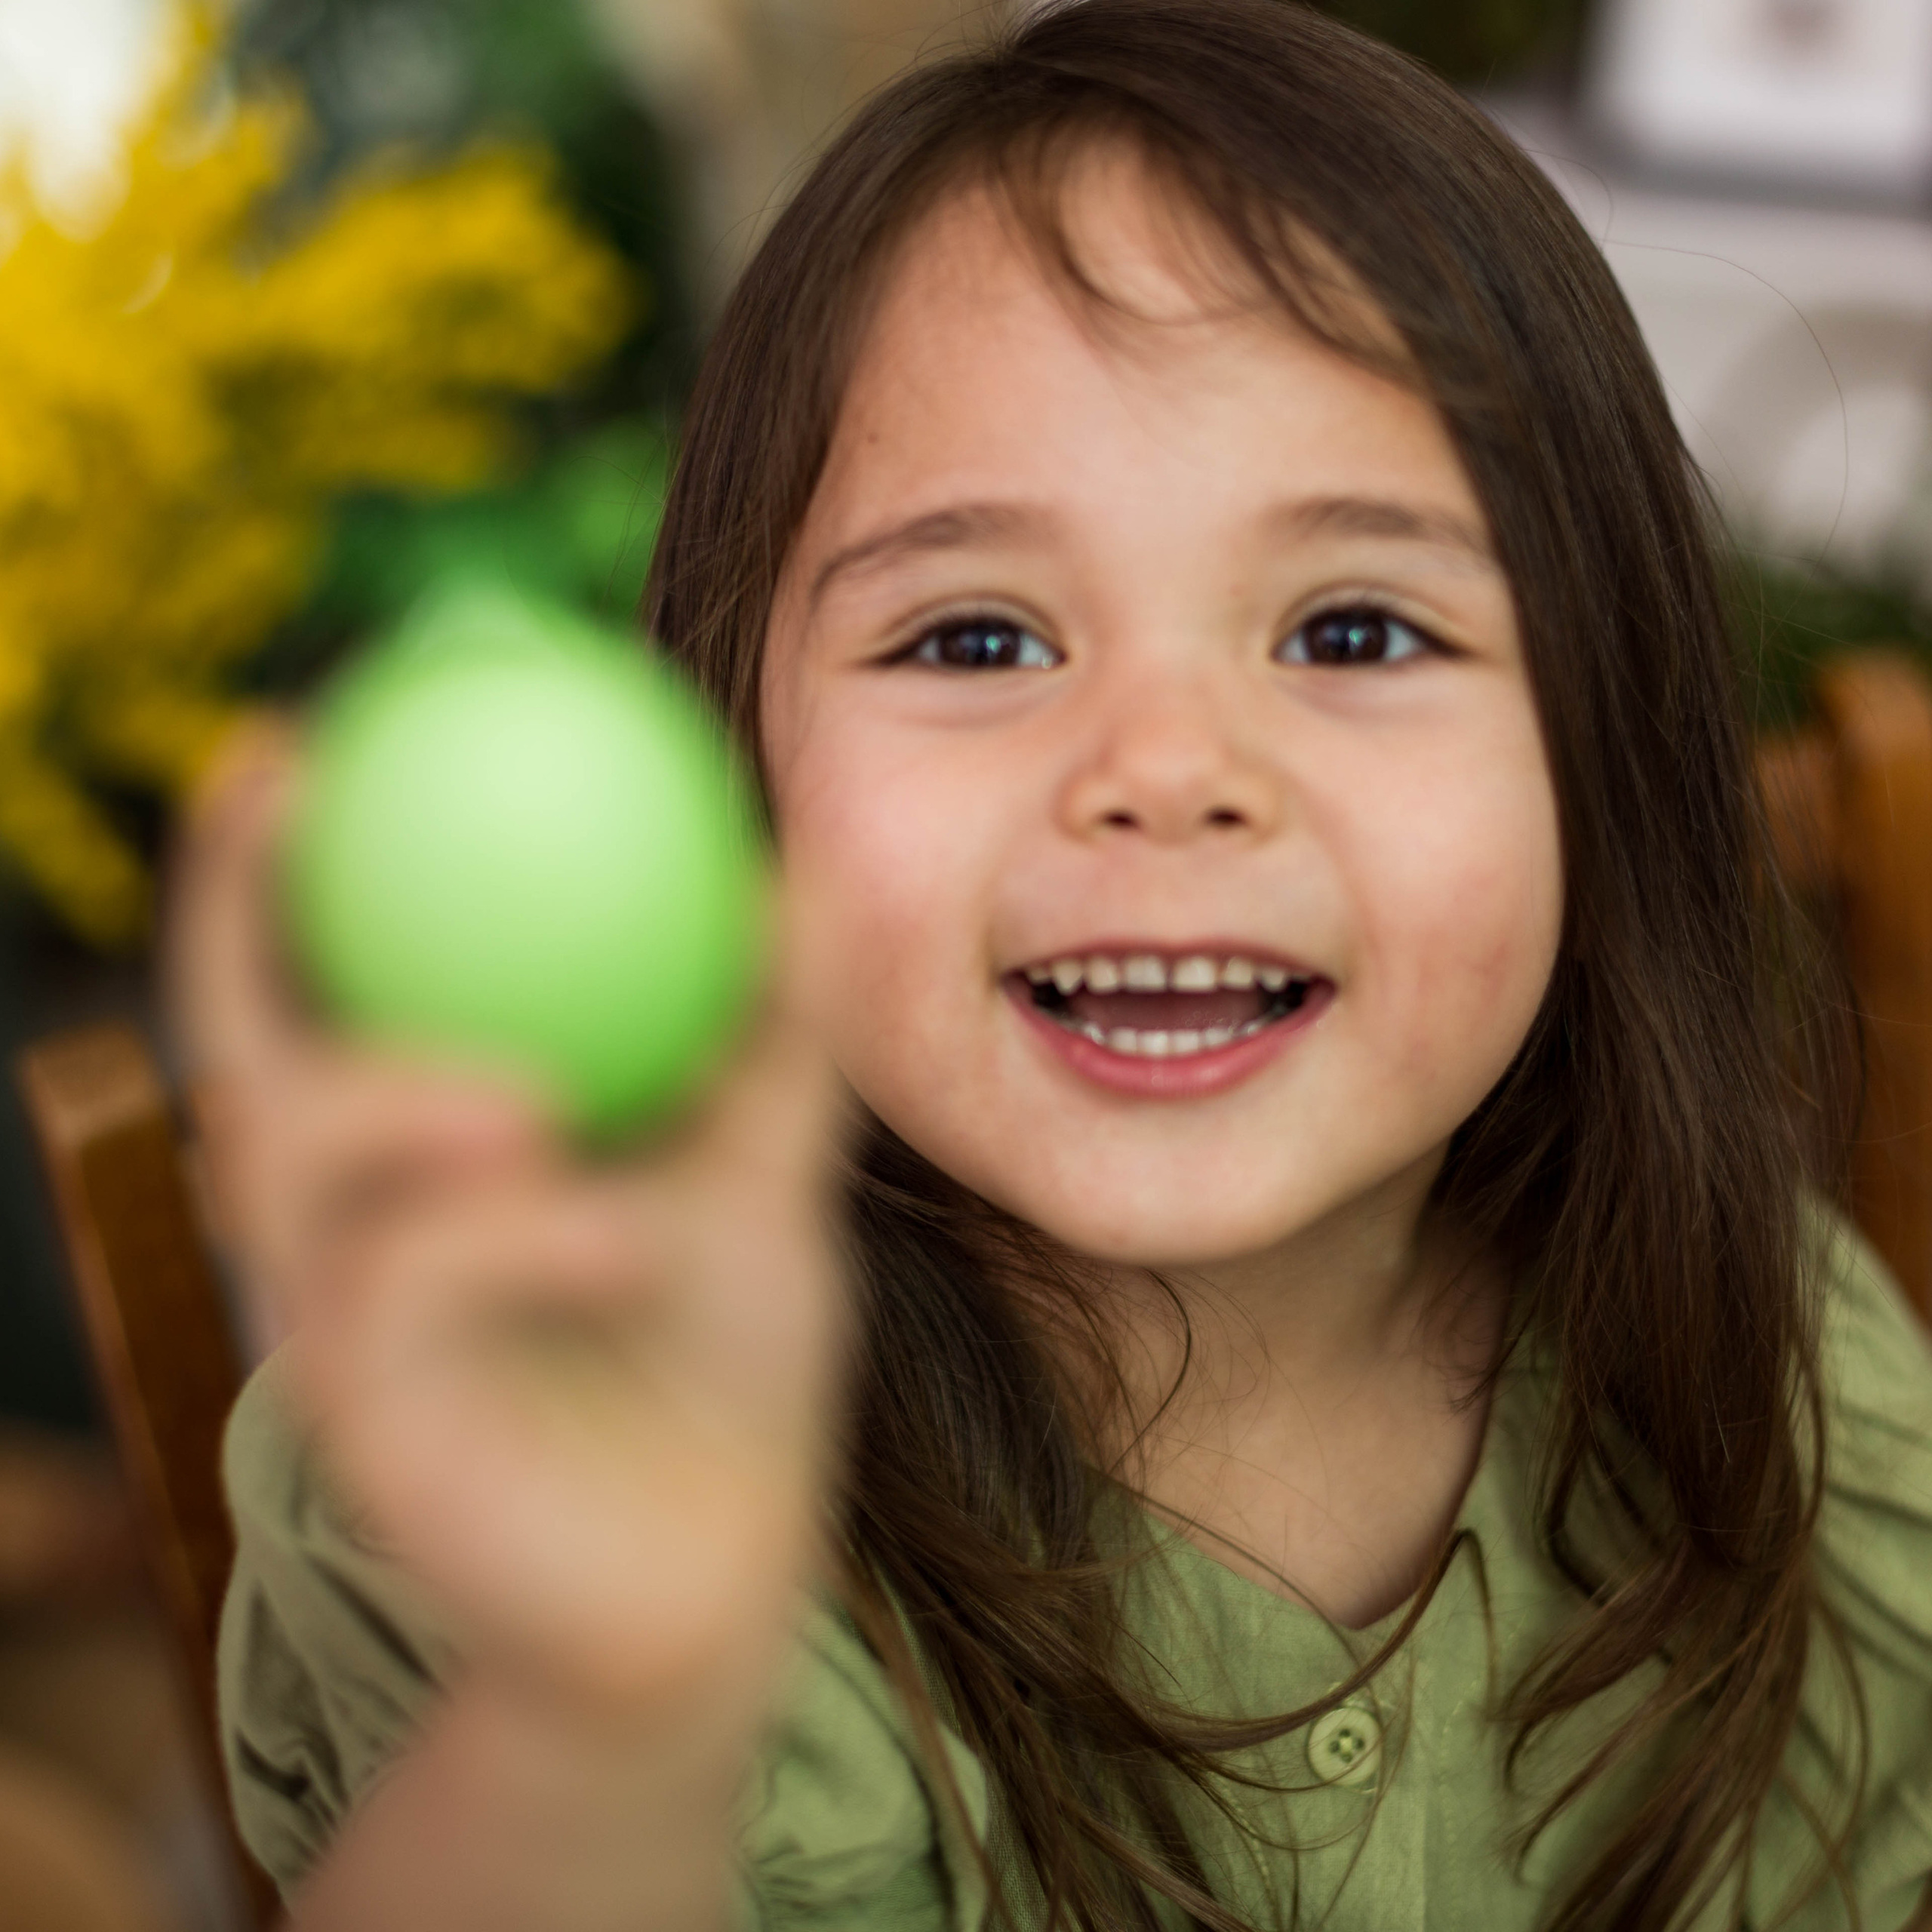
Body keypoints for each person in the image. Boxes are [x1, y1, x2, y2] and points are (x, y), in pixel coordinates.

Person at [168, 3, 1932, 1927]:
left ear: (1607, 747)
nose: (1162, 773)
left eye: (1350, 631)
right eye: (978, 641)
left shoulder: (1780, 1373)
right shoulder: (538, 1467)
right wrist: (595, 1730)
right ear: (730, 761)